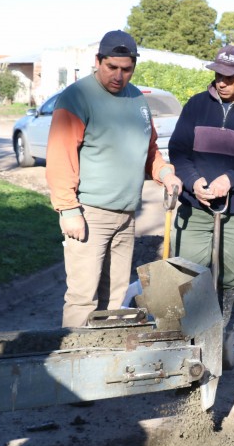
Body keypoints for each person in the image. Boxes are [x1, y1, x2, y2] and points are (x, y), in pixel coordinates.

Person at [45, 30, 183, 328]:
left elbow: (148, 150)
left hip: (126, 215)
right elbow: (60, 156)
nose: (119, 76)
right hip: (89, 213)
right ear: (98, 61)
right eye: (112, 68)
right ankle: (74, 363)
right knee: (83, 296)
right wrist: (68, 210)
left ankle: (104, 359)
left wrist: (165, 173)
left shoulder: (138, 100)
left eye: (126, 69)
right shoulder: (77, 97)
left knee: (115, 294)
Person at [168, 45, 234, 367]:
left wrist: (231, 180)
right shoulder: (196, 106)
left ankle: (216, 333)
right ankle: (184, 341)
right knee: (187, 273)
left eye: (230, 77)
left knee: (229, 276)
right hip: (194, 208)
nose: (222, 82)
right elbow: (179, 151)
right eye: (218, 75)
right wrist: (193, 181)